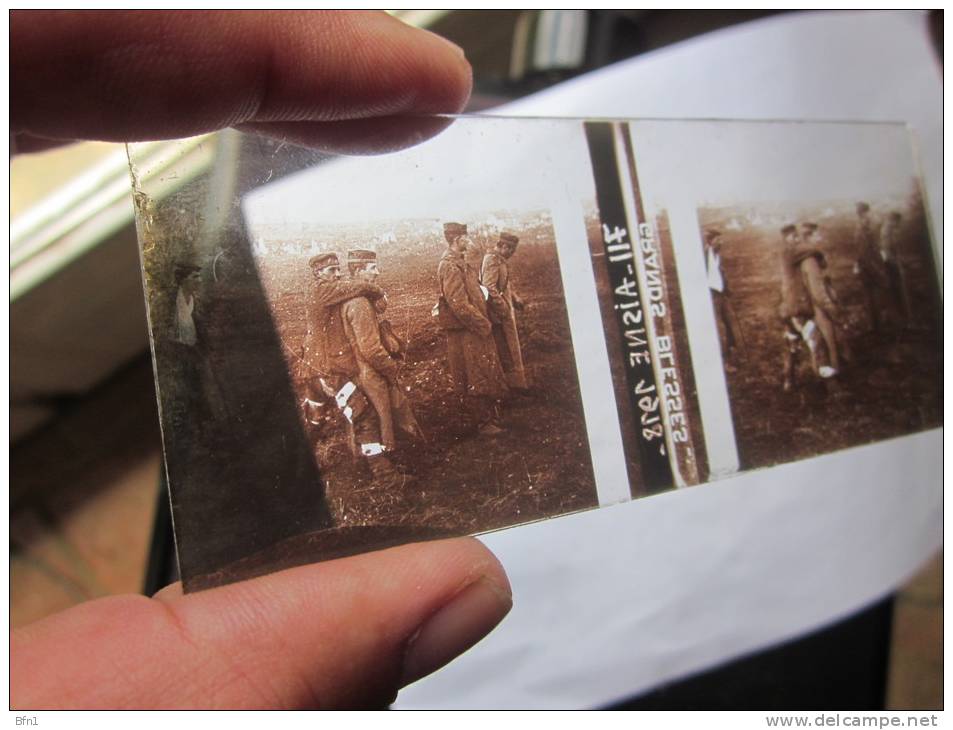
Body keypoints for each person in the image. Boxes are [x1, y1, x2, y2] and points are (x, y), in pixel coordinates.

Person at [11, 10, 512, 710]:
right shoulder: (330, 292)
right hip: (328, 362)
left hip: (323, 361)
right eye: (346, 260)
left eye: (352, 260)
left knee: (361, 407)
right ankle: (378, 453)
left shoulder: (340, 288)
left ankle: (373, 448)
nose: (351, 266)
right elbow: (342, 308)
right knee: (364, 406)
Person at [339, 249, 423, 477]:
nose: (378, 272)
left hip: (366, 369)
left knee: (380, 418)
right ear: (358, 270)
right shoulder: (359, 304)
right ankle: (384, 469)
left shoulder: (359, 300)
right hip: (371, 371)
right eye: (372, 268)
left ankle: (379, 465)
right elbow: (370, 348)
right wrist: (390, 367)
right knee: (382, 418)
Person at [435, 222, 508, 435]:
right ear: (457, 240)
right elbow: (457, 303)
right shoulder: (449, 265)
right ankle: (481, 423)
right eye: (466, 238)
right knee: (473, 373)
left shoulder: (460, 262)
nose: (469, 240)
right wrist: (482, 324)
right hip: (466, 330)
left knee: (480, 370)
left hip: (473, 328)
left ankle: (488, 417)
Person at [777, 224, 835, 391]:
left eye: (796, 236)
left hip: (787, 306)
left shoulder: (785, 253)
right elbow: (810, 250)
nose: (796, 239)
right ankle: (829, 383)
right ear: (786, 238)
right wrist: (820, 255)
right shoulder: (789, 251)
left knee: (791, 343)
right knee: (816, 340)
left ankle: (788, 380)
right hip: (797, 308)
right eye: (793, 237)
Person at [480, 231, 529, 390]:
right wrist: (505, 309)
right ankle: (514, 386)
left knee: (510, 347)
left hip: (504, 311)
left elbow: (504, 285)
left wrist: (515, 299)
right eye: (511, 250)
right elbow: (489, 287)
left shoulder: (499, 260)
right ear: (504, 247)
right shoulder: (492, 260)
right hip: (498, 314)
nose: (512, 254)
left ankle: (517, 384)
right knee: (506, 349)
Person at [795, 222, 846, 373]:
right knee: (828, 343)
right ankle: (832, 380)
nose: (821, 237)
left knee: (820, 344)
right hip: (819, 309)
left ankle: (827, 375)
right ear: (809, 237)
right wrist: (832, 309)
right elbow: (818, 293)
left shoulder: (807, 258)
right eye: (818, 234)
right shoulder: (810, 262)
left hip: (814, 307)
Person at [853, 201, 890, 332]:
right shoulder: (866, 227)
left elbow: (864, 248)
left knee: (871, 295)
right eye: (863, 213)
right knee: (876, 293)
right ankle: (878, 324)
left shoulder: (863, 227)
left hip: (868, 264)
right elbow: (864, 249)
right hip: (870, 264)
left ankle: (876, 324)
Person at [703, 228, 741, 356]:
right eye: (718, 240)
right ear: (710, 241)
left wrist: (727, 289)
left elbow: (720, 274)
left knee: (728, 321)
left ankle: (731, 347)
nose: (721, 242)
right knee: (717, 325)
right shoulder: (704, 256)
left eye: (721, 240)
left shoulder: (717, 256)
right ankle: (721, 354)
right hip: (712, 295)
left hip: (721, 293)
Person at [879, 211, 912, 323]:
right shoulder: (887, 231)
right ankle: (904, 318)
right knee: (898, 291)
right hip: (890, 265)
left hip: (890, 263)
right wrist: (897, 266)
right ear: (894, 220)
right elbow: (886, 251)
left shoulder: (887, 229)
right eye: (897, 223)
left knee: (896, 292)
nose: (898, 226)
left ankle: (901, 317)